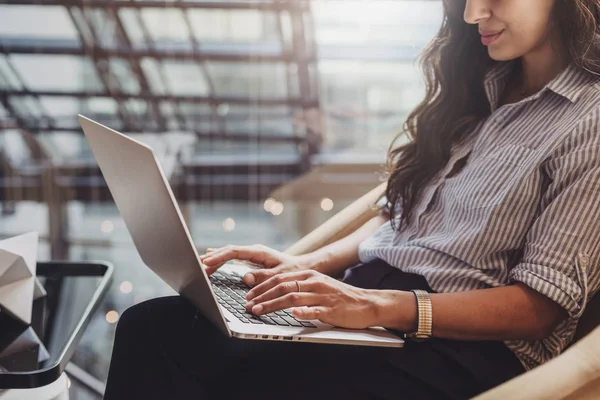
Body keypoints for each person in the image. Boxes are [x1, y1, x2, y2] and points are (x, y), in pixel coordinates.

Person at [104, 0, 600, 399]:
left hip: (455, 349)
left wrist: (373, 304)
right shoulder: (481, 88)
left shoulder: (589, 122)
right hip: (370, 311)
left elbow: (540, 309)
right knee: (152, 326)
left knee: (185, 354)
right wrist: (306, 265)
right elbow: (403, 218)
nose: (473, 14)